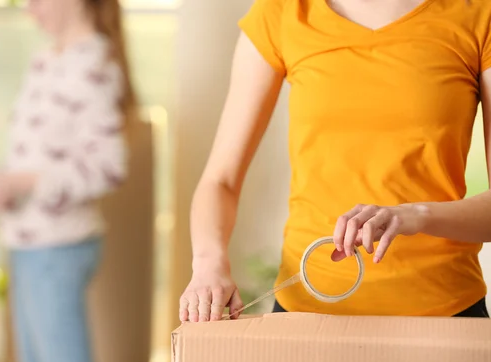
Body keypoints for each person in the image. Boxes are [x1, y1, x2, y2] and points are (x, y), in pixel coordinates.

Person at [179, 0, 491, 323]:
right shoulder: (284, 12)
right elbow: (221, 181)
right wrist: (208, 264)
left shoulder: (479, 14)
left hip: (445, 311)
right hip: (306, 309)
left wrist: (415, 214)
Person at [0, 0, 134, 362]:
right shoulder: (46, 61)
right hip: (27, 242)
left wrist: (20, 183)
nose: (28, 9)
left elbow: (109, 166)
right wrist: (2, 185)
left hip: (58, 247)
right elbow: (36, 158)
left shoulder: (92, 66)